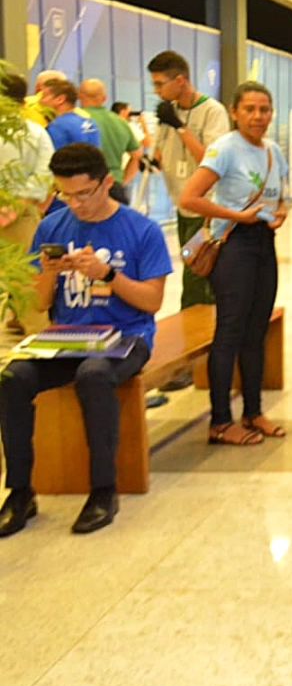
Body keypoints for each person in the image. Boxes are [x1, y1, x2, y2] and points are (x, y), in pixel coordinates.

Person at [0, 143, 170, 537]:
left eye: (83, 194)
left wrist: (107, 275)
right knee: (12, 377)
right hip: (68, 337)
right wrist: (49, 272)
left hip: (127, 336)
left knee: (94, 375)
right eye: (65, 195)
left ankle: (103, 490)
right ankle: (20, 491)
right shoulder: (52, 227)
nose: (75, 204)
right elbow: (39, 303)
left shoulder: (141, 229)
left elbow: (152, 301)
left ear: (106, 183)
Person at [178, 82, 288, 446]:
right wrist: (236, 216)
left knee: (256, 331)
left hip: (264, 244)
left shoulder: (273, 150)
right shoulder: (224, 148)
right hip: (234, 246)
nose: (258, 116)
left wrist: (280, 212)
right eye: (250, 109)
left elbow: (279, 198)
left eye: (264, 109)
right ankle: (221, 421)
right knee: (230, 332)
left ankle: (253, 411)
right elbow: (190, 198)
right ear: (234, 112)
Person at [148, 51, 231, 308]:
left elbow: (211, 161)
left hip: (204, 207)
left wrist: (180, 127)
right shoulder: (168, 111)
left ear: (180, 80)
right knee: (190, 265)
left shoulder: (212, 111)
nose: (157, 91)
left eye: (160, 84)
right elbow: (160, 154)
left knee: (197, 271)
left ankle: (199, 322)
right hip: (182, 206)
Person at [0, 72, 55, 334]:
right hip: (21, 215)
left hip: (18, 214)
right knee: (27, 283)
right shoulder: (36, 132)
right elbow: (46, 173)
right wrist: (19, 205)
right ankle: (37, 341)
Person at [78, 80, 141, 205]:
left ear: (79, 96)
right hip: (114, 184)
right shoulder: (120, 122)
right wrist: (122, 181)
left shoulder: (75, 120)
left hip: (83, 188)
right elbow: (137, 156)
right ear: (104, 98)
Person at [41, 79, 100, 152]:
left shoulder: (57, 126)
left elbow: (55, 156)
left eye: (44, 96)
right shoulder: (90, 122)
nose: (41, 101)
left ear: (60, 99)